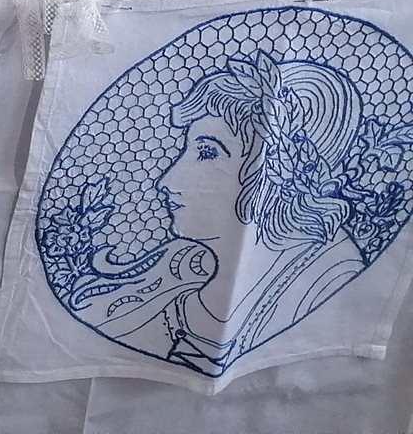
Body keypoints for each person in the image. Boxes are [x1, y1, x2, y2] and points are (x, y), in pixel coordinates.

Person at [76, 54, 379, 375]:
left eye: (207, 152)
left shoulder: (327, 277)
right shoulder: (183, 263)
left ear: (273, 172)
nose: (168, 181)